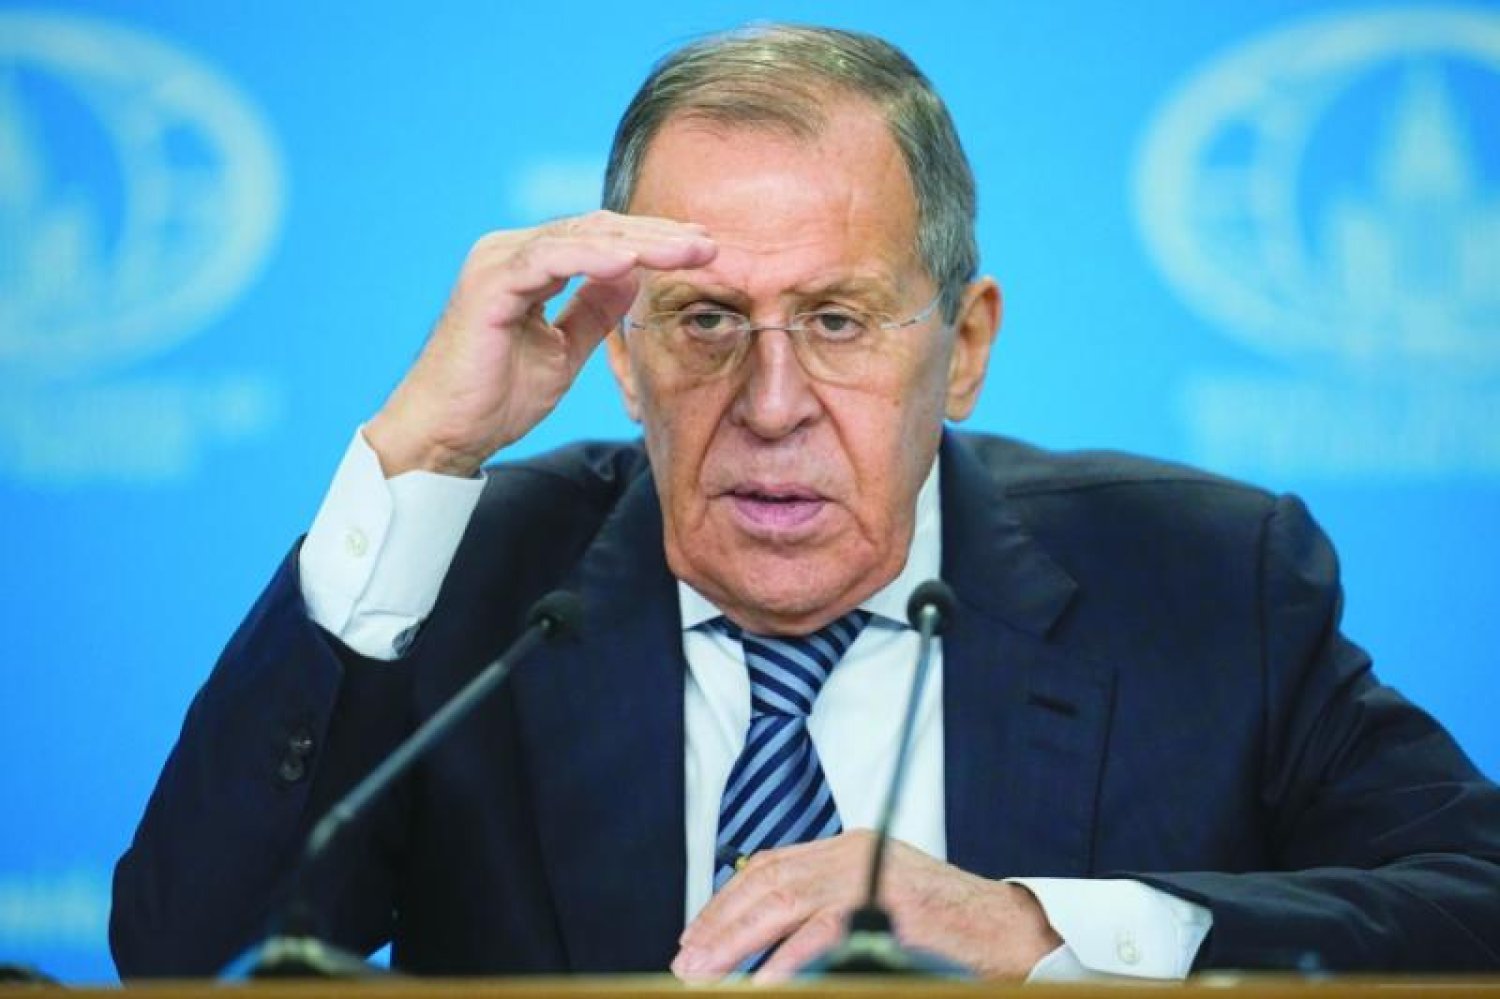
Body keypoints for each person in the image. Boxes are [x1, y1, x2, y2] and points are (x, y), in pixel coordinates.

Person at [111, 24, 1500, 981]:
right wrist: (419, 451)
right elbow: (184, 959)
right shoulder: (472, 578)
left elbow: (1475, 904)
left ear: (964, 346)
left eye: (837, 320)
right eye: (707, 320)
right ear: (624, 358)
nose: (771, 403)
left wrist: (1039, 932)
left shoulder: (1203, 580)